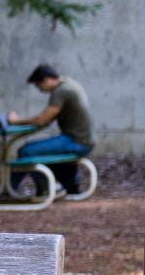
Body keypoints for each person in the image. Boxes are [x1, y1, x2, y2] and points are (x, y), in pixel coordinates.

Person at [6, 64, 94, 195]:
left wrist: (15, 120)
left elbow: (42, 120)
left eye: (38, 85)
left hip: (76, 141)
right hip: (82, 139)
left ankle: (16, 190)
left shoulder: (61, 91)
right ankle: (56, 185)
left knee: (26, 152)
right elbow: (47, 120)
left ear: (47, 79)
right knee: (35, 150)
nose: (39, 89)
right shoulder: (68, 83)